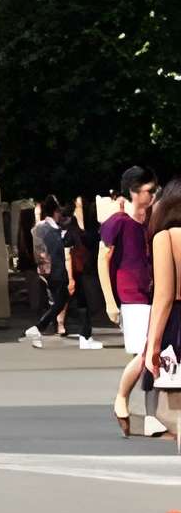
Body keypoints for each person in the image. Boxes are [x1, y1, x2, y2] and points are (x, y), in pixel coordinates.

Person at [100, 167, 163, 437]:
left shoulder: (151, 221)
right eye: (149, 190)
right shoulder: (117, 222)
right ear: (134, 192)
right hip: (130, 295)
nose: (153, 195)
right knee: (145, 354)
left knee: (152, 356)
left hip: (152, 293)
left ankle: (151, 416)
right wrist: (109, 302)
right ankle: (122, 398)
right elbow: (102, 260)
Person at [141, 177, 181, 442]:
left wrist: (152, 345)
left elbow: (164, 297)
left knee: (178, 409)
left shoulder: (165, 237)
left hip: (176, 326)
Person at [23, 197, 69, 347]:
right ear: (56, 212)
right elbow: (54, 251)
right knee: (60, 300)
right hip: (55, 270)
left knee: (58, 300)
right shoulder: (51, 229)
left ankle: (39, 330)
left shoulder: (40, 227)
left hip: (46, 269)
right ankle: (38, 328)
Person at [57, 202, 100, 348]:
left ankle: (84, 334)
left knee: (83, 303)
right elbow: (68, 256)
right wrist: (70, 278)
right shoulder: (78, 231)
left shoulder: (72, 231)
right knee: (84, 304)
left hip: (79, 271)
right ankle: (84, 335)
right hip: (80, 272)